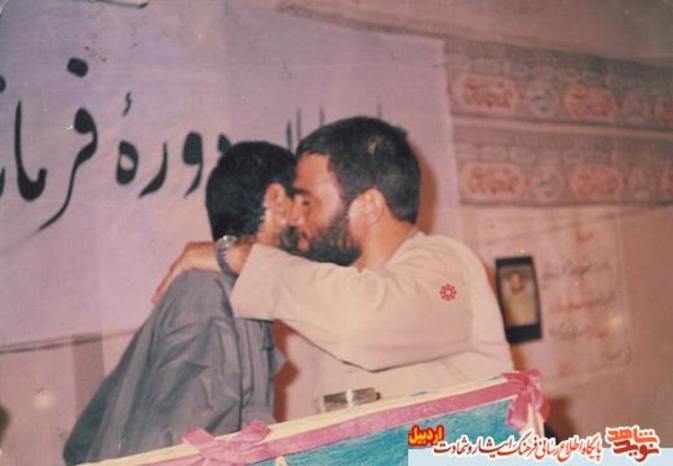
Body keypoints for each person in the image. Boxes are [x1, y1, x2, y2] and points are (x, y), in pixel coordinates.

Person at [153, 117, 513, 411]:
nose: (295, 218)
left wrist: (236, 255)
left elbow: (361, 323)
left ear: (368, 206)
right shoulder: (340, 286)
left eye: (308, 202)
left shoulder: (447, 267)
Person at [63, 142, 295, 465]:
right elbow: (185, 454)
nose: (311, 220)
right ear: (277, 199)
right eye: (305, 202)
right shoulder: (210, 297)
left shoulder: (232, 292)